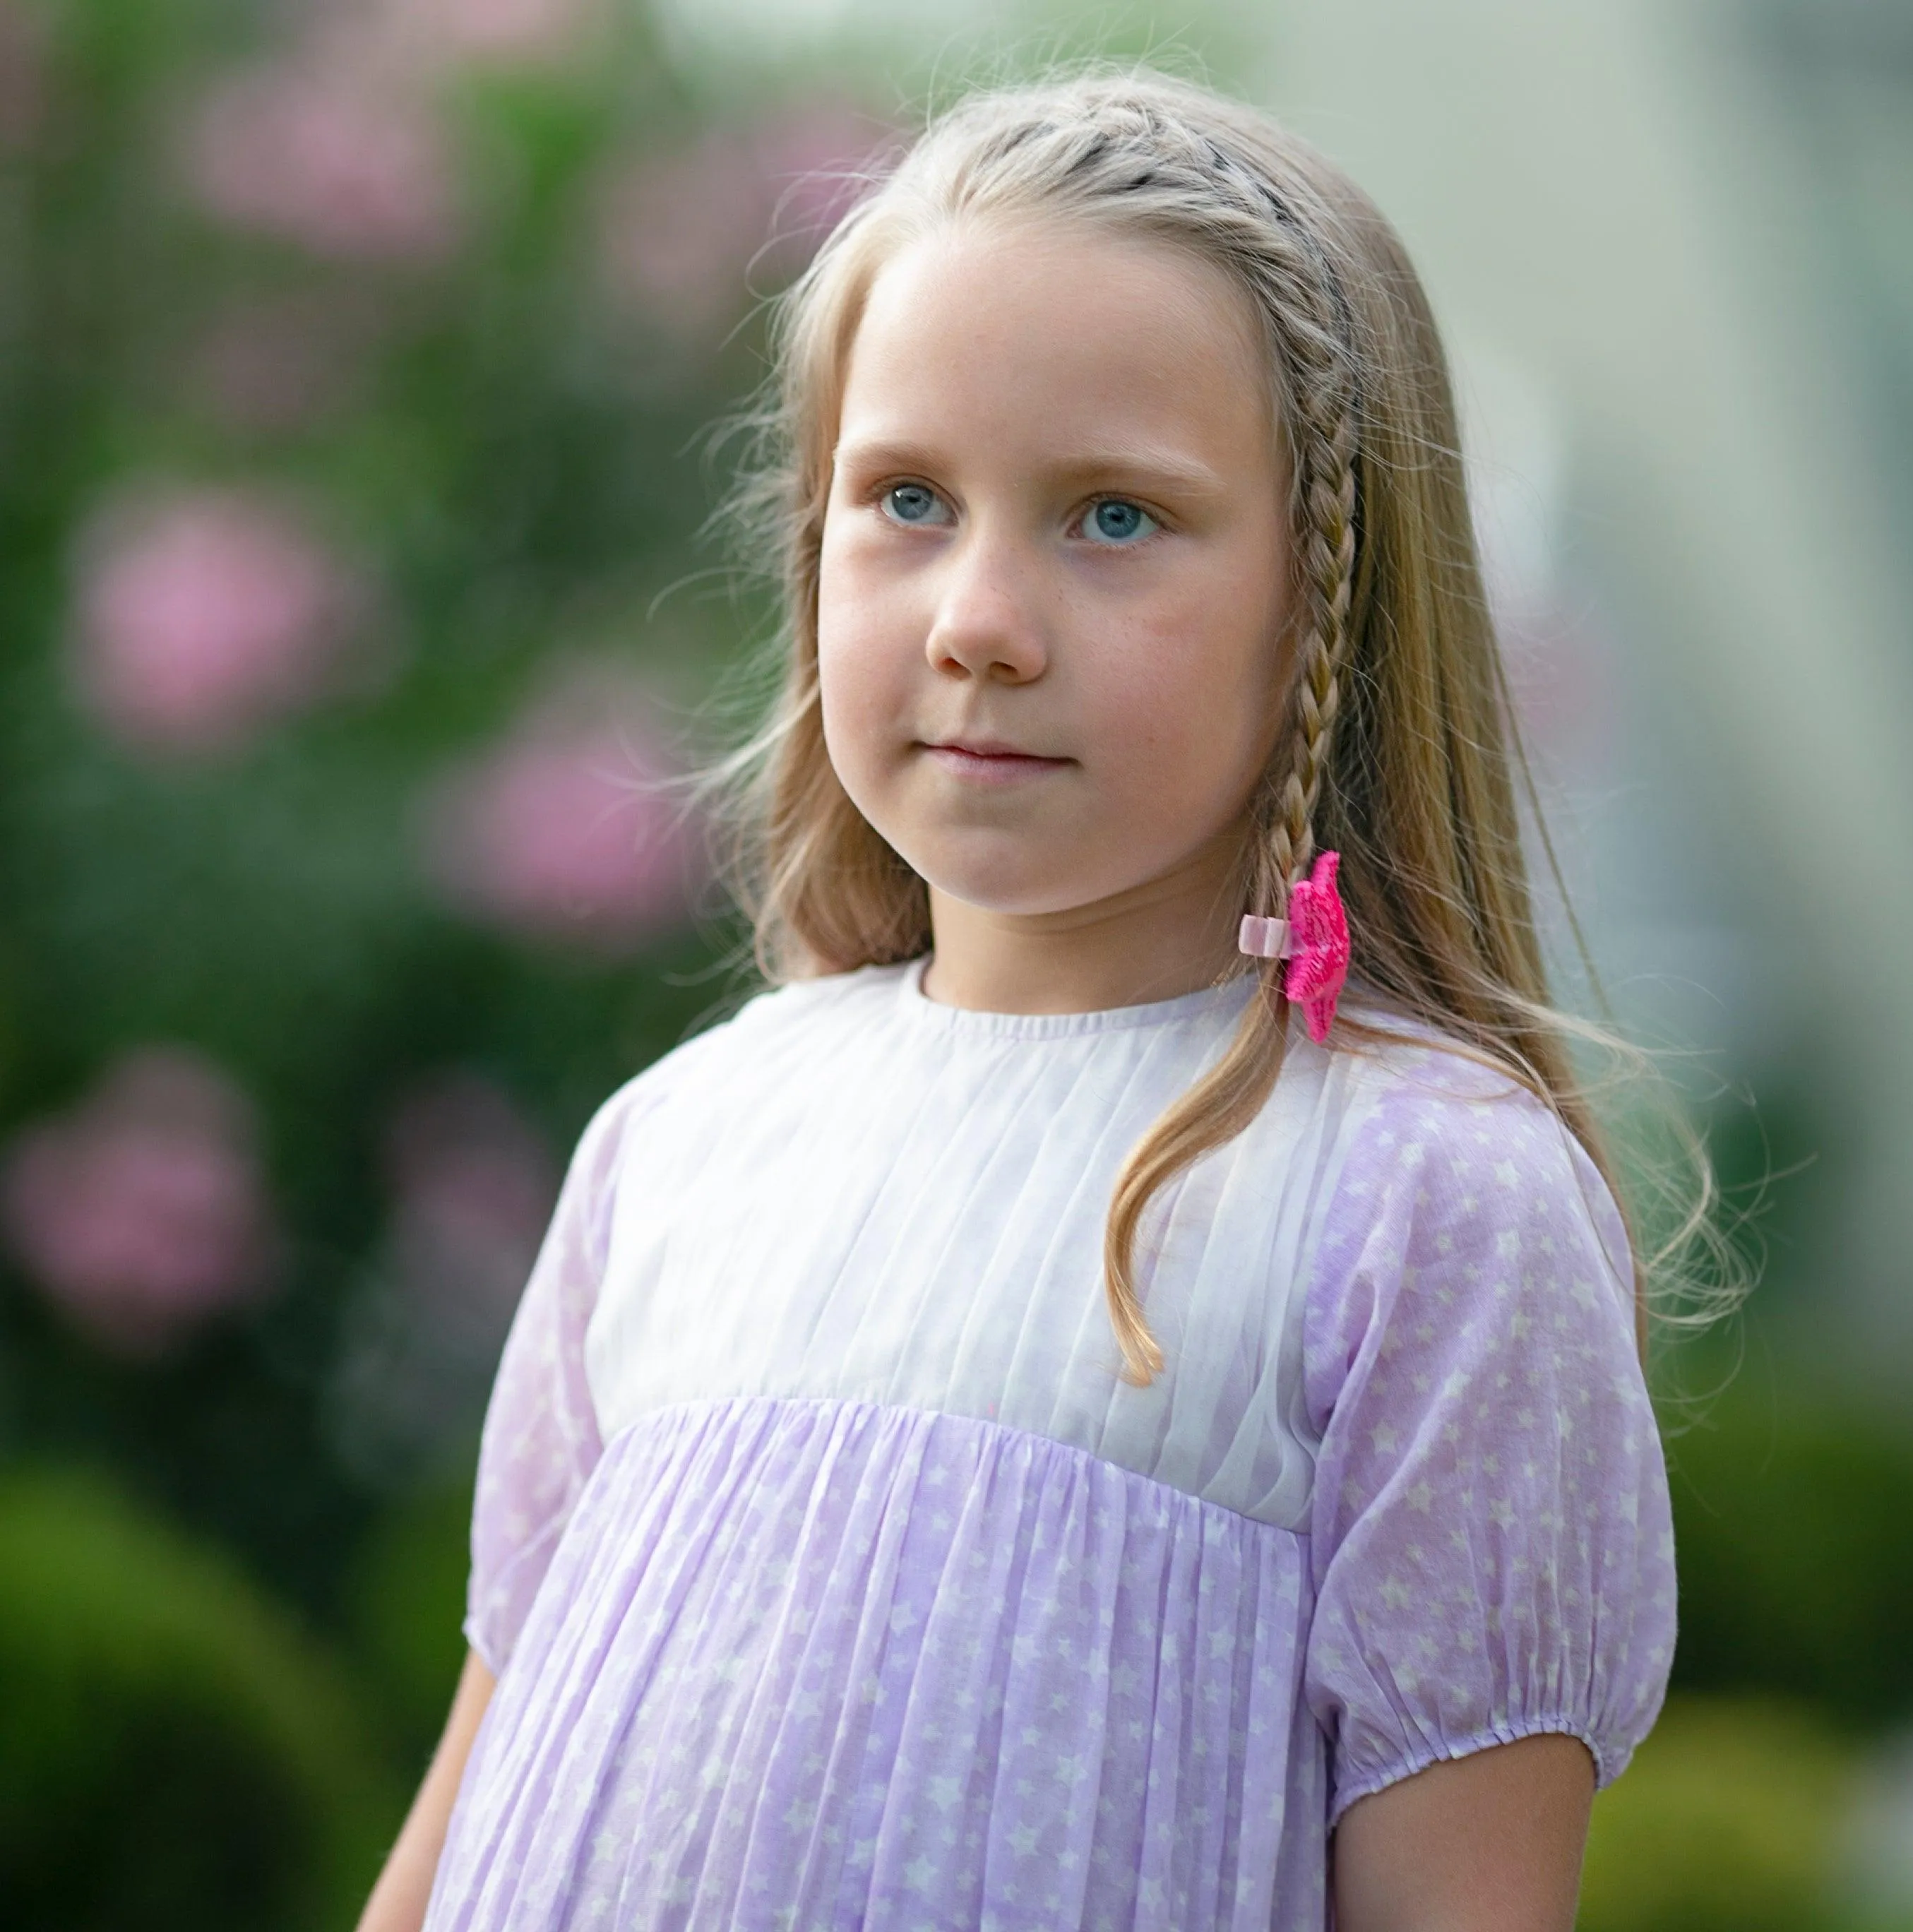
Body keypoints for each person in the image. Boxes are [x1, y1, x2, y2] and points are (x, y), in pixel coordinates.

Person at [357, 68, 1679, 1932]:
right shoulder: (685, 1145)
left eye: (1115, 518)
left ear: (1331, 601)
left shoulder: (1424, 1205)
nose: (979, 615)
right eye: (907, 498)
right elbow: (452, 1850)